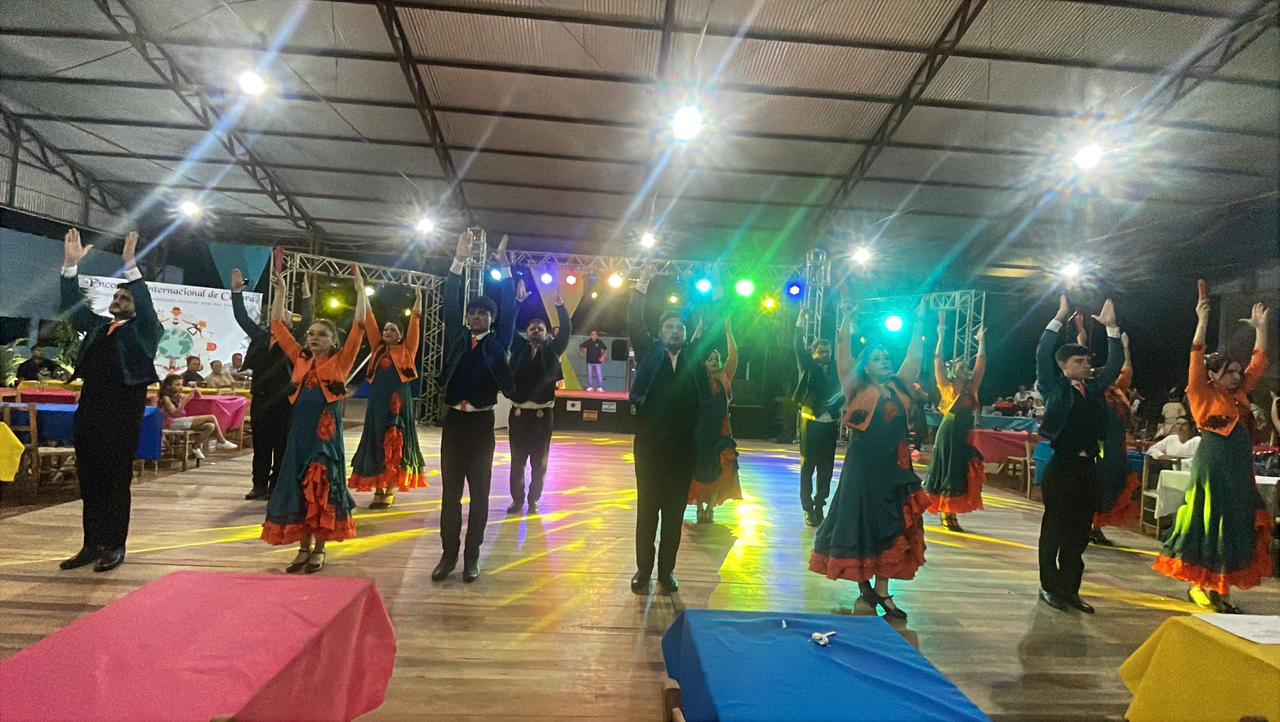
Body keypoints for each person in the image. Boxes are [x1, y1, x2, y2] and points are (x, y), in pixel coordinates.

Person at [1155, 282, 1271, 614]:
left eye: (1237, 372)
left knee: (1235, 526)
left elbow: (1259, 364)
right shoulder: (1201, 392)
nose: (1236, 376)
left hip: (1239, 473)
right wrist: (1202, 319)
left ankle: (1220, 588)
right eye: (1229, 372)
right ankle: (1201, 587)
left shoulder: (1239, 395)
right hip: (1213, 470)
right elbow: (1196, 353)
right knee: (1211, 524)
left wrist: (1261, 329)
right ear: (1213, 375)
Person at [810, 301, 928, 620]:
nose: (885, 360)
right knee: (862, 525)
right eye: (877, 358)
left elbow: (914, 357)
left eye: (886, 356)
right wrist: (846, 321)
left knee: (893, 527)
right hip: (863, 470)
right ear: (866, 367)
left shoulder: (900, 387)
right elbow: (842, 355)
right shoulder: (855, 387)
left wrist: (919, 324)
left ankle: (883, 590)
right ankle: (865, 584)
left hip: (896, 469)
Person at [57, 228, 162, 573]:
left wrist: (130, 266)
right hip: (90, 413)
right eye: (116, 297)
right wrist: (70, 267)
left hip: (122, 416)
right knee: (89, 481)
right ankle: (91, 544)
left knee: (115, 482)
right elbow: (72, 309)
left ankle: (115, 544)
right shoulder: (100, 327)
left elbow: (145, 305)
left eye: (125, 298)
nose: (117, 301)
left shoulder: (146, 331)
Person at [260, 268, 367, 574]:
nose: (314, 338)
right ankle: (303, 548)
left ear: (334, 340)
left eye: (321, 334)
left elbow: (359, 326)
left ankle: (319, 549)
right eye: (311, 334)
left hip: (325, 436)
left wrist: (361, 293)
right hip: (299, 433)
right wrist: (281, 293)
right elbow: (278, 326)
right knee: (297, 486)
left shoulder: (342, 360)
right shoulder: (301, 358)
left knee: (322, 487)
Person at [433, 232, 517, 584]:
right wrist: (458, 261)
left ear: (491, 319)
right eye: (473, 312)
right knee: (450, 495)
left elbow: (510, 310)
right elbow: (450, 303)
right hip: (454, 423)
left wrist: (505, 269)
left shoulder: (499, 343)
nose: (476, 316)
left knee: (479, 496)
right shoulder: (457, 338)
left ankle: (472, 557)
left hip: (482, 426)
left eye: (483, 312)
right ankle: (448, 555)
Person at [1034, 295, 1124, 614]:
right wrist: (1058, 318)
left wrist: (1111, 328)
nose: (1086, 365)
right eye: (1079, 361)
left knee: (1079, 533)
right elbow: (1043, 352)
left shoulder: (1094, 388)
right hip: (1063, 466)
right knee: (1054, 530)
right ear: (1064, 365)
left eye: (1087, 361)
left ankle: (1070, 589)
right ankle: (1049, 587)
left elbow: (1114, 365)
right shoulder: (1053, 387)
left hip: (1088, 468)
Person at [628, 269, 701, 595]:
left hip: (683, 451)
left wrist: (709, 297)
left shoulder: (693, 357)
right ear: (660, 333)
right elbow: (634, 323)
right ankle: (643, 571)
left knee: (674, 514)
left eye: (679, 327)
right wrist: (640, 289)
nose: (675, 331)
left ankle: (666, 571)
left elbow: (710, 328)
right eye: (669, 327)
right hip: (649, 448)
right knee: (647, 511)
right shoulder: (650, 351)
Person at [231, 268, 312, 500]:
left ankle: (276, 486)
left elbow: (308, 318)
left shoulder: (294, 341)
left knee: (282, 445)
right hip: (261, 398)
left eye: (286, 314)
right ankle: (258, 485)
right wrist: (236, 293)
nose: (281, 315)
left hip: (285, 400)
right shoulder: (260, 336)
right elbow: (242, 318)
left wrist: (306, 295)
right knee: (261, 445)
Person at [349, 286, 427, 509]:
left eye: (392, 330)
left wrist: (418, 300)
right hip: (377, 404)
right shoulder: (378, 349)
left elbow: (415, 322)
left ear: (401, 335)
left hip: (398, 404)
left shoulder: (408, 349)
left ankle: (390, 488)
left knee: (395, 443)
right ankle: (379, 488)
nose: (387, 332)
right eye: (386, 329)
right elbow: (370, 320)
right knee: (376, 442)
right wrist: (361, 292)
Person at [505, 281, 571, 515]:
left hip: (543, 416)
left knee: (539, 463)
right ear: (526, 332)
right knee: (517, 462)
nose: (535, 331)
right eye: (532, 329)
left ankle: (533, 500)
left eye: (540, 329)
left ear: (547, 334)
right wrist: (518, 303)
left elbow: (566, 331)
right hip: (519, 414)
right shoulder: (518, 348)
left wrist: (560, 307)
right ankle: (517, 500)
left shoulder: (553, 351)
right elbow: (508, 326)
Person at [923, 314, 987, 532]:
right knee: (948, 470)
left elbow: (981, 364)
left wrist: (981, 341)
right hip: (949, 430)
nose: (964, 369)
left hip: (963, 432)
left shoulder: (971, 387)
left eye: (966, 367)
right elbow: (937, 360)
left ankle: (952, 512)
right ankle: (946, 513)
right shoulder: (946, 385)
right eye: (960, 367)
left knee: (959, 470)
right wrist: (940, 334)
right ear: (952, 370)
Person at [688, 318, 742, 524]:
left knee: (721, 470)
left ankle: (710, 507)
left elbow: (734, 356)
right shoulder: (698, 377)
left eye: (716, 359)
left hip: (721, 431)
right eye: (710, 359)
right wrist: (698, 331)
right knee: (698, 469)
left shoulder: (724, 377)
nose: (713, 361)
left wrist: (729, 331)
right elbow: (690, 355)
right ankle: (699, 508)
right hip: (699, 431)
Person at [793, 308, 843, 527]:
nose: (824, 355)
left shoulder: (836, 368)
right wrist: (800, 322)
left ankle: (820, 504)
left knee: (826, 468)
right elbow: (797, 346)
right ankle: (807, 508)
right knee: (808, 466)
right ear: (813, 353)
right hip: (811, 423)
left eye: (827, 351)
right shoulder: (807, 366)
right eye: (820, 352)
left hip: (830, 424)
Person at [1090, 331, 1139, 545]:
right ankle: (1085, 525)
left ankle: (1096, 527)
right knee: (1095, 486)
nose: (1113, 379)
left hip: (1117, 449)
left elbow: (1127, 370)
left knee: (1112, 487)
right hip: (1099, 448)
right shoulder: (1094, 394)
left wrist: (1126, 347)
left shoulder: (1119, 392)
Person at [156, 374, 236, 459]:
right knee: (211, 417)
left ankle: (195, 446)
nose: (180, 387)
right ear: (168, 386)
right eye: (177, 385)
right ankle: (221, 441)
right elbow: (174, 413)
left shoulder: (178, 395)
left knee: (210, 426)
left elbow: (198, 397)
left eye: (181, 384)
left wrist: (196, 391)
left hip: (182, 421)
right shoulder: (166, 398)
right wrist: (184, 402)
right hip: (171, 423)